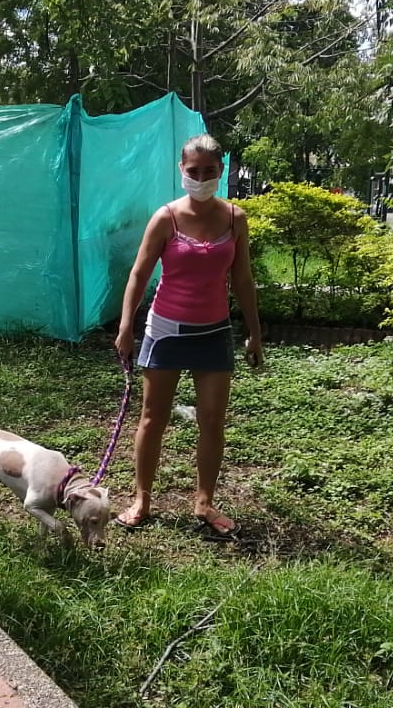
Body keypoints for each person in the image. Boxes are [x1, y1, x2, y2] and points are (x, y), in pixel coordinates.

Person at [112, 133, 263, 538]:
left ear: (221, 171)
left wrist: (254, 332)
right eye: (193, 171)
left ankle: (204, 501)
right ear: (181, 170)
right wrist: (126, 327)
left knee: (212, 420)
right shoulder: (166, 218)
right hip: (166, 331)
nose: (200, 178)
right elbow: (139, 274)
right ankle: (142, 499)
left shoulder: (235, 218)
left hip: (214, 332)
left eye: (209, 171)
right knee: (153, 417)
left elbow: (243, 279)